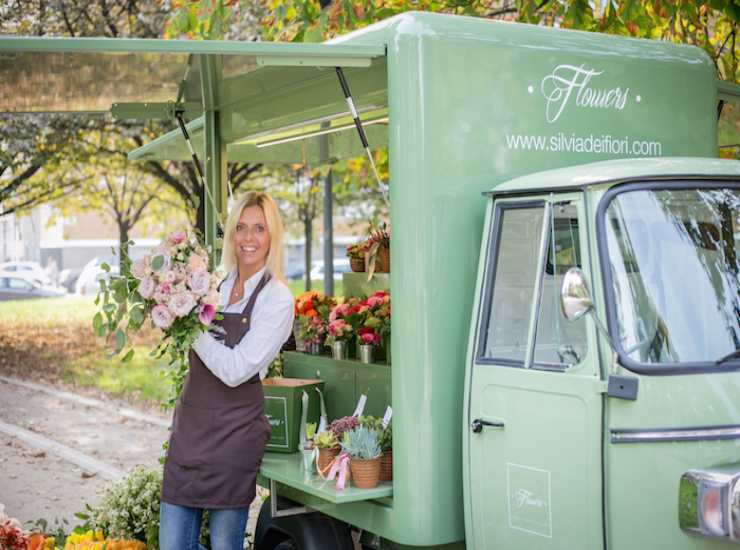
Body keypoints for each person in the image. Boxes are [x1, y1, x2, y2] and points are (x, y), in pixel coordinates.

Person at [159, 192, 295, 550]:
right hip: (190, 430)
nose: (249, 238)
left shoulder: (276, 298)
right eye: (241, 228)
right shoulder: (212, 285)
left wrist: (191, 326)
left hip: (234, 435)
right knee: (173, 545)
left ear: (272, 237)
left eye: (259, 229)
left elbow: (236, 370)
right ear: (231, 234)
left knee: (224, 546)